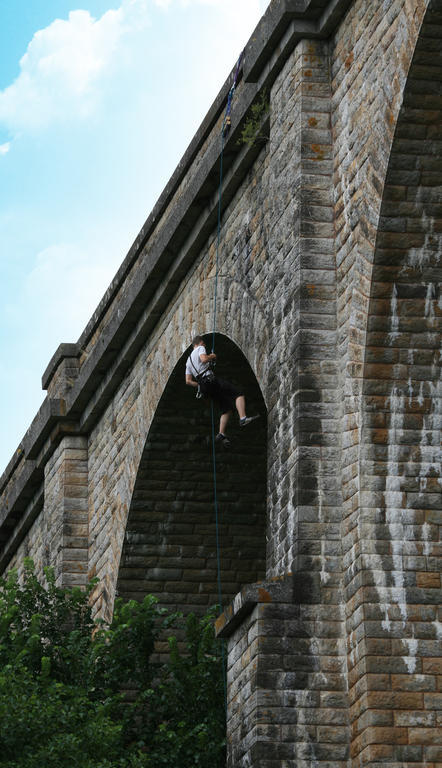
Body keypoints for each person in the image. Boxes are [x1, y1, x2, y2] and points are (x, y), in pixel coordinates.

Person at [185, 335, 258, 447]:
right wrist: (212, 356)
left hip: (204, 387)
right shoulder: (200, 348)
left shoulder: (188, 361)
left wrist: (200, 384)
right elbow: (204, 359)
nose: (204, 346)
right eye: (204, 344)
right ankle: (243, 418)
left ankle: (221, 433)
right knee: (238, 393)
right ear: (201, 343)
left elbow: (188, 381)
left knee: (226, 409)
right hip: (210, 380)